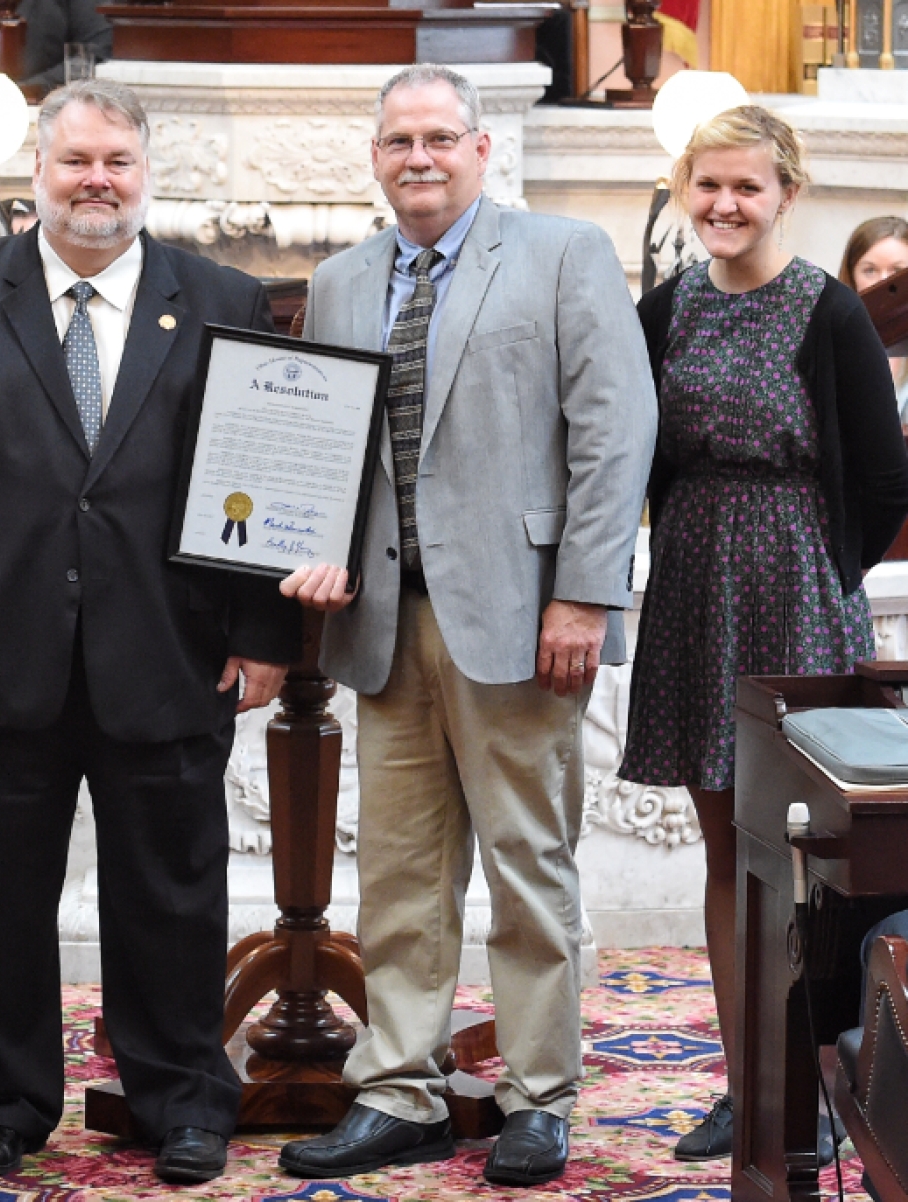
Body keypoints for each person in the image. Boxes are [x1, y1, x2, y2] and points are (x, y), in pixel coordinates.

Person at [0, 78, 300, 1183]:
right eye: (75, 161)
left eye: (117, 162)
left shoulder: (222, 296)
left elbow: (257, 475)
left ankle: (182, 1098)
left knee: (173, 892)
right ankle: (5, 1101)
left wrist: (260, 632)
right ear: (37, 174)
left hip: (170, 646)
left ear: (147, 175)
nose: (96, 181)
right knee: (3, 897)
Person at [277, 64, 656, 1188]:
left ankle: (537, 1095)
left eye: (440, 137)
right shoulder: (340, 280)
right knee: (397, 876)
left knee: (527, 868)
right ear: (375, 156)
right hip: (385, 626)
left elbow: (612, 428)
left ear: (482, 149)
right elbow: (322, 446)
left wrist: (583, 592)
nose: (418, 158)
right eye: (398, 141)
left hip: (523, 619)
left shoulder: (561, 254)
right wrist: (307, 541)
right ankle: (398, 1086)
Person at [619, 106, 908, 1162]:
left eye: (745, 187)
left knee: (810, 856)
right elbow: (629, 449)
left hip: (792, 580)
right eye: (706, 187)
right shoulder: (667, 307)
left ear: (785, 189)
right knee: (722, 851)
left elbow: (881, 478)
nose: (724, 206)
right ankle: (746, 1086)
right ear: (684, 192)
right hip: (693, 578)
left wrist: (825, 570)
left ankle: (826, 1080)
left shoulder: (826, 312)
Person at [839, 215, 908, 422]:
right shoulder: (832, 339)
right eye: (870, 270)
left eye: (897, 271)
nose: (884, 281)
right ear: (852, 275)